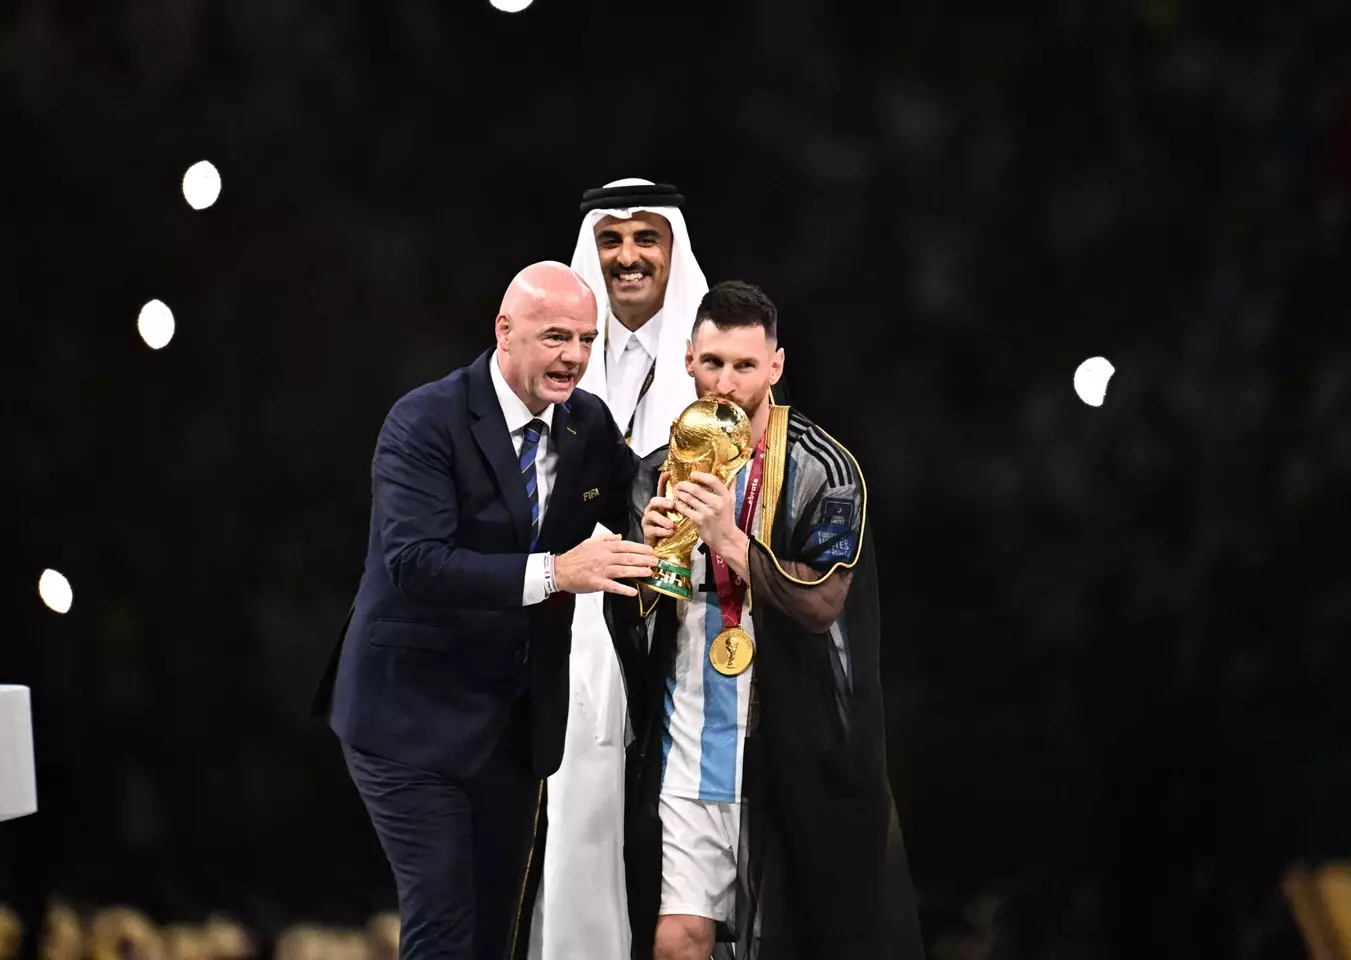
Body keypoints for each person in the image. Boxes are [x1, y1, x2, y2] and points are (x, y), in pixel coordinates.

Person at [309, 262, 657, 960]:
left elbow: (636, 498)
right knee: (445, 929)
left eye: (587, 340)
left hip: (512, 722)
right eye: (556, 337)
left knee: (495, 934)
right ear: (504, 331)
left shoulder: (587, 424)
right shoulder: (423, 420)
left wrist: (678, 498)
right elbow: (416, 565)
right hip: (409, 719)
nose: (575, 357)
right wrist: (559, 572)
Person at [612, 281, 924, 959]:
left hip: (794, 746)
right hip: (689, 744)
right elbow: (639, 619)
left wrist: (729, 540)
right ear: (688, 358)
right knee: (677, 941)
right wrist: (652, 559)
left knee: (797, 943)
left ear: (775, 367)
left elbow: (821, 605)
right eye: (713, 362)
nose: (725, 382)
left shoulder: (826, 470)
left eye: (745, 366)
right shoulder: (654, 474)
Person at [529, 178, 715, 960]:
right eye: (612, 240)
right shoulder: (557, 370)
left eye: (648, 239)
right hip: (578, 646)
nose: (629, 257)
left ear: (674, 250)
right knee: (579, 831)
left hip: (694, 647)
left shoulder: (716, 370)